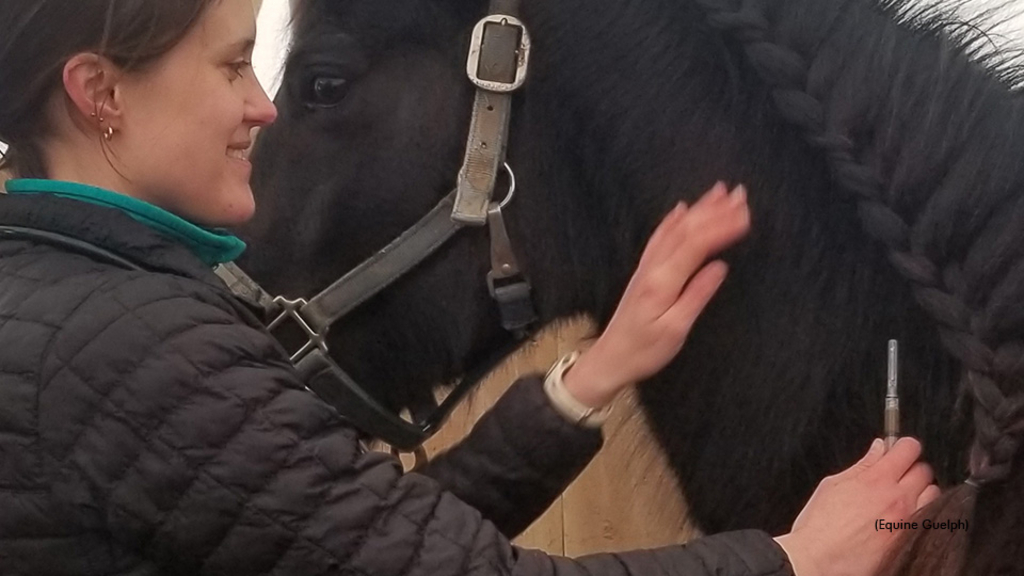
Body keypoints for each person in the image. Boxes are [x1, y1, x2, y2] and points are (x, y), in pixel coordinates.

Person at [0, 1, 940, 575]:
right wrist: (795, 562)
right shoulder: (134, 345)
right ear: (101, 94)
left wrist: (588, 380)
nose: (262, 105)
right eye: (231, 63)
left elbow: (346, 548)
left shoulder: (75, 296)